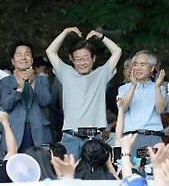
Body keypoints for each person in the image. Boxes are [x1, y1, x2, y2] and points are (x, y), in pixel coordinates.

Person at [45, 26, 123, 159]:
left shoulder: (101, 74)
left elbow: (117, 51)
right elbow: (50, 51)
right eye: (78, 59)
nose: (82, 62)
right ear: (71, 59)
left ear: (93, 58)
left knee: (94, 176)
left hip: (94, 137)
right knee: (70, 175)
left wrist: (101, 37)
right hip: (70, 136)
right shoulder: (66, 73)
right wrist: (65, 32)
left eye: (86, 57)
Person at [0, 41, 53, 154]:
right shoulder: (5, 82)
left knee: (41, 168)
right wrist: (19, 89)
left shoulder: (41, 79)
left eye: (27, 54)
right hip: (15, 132)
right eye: (19, 54)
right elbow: (6, 105)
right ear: (13, 61)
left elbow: (45, 101)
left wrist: (33, 83)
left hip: (39, 132)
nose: (23, 57)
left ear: (32, 60)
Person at [118, 51, 166, 153]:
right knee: (129, 168)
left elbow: (160, 110)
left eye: (143, 64)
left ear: (152, 68)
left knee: (154, 169)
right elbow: (123, 108)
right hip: (131, 138)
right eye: (135, 64)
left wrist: (157, 87)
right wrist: (133, 86)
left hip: (153, 136)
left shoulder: (158, 88)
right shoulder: (124, 88)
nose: (138, 68)